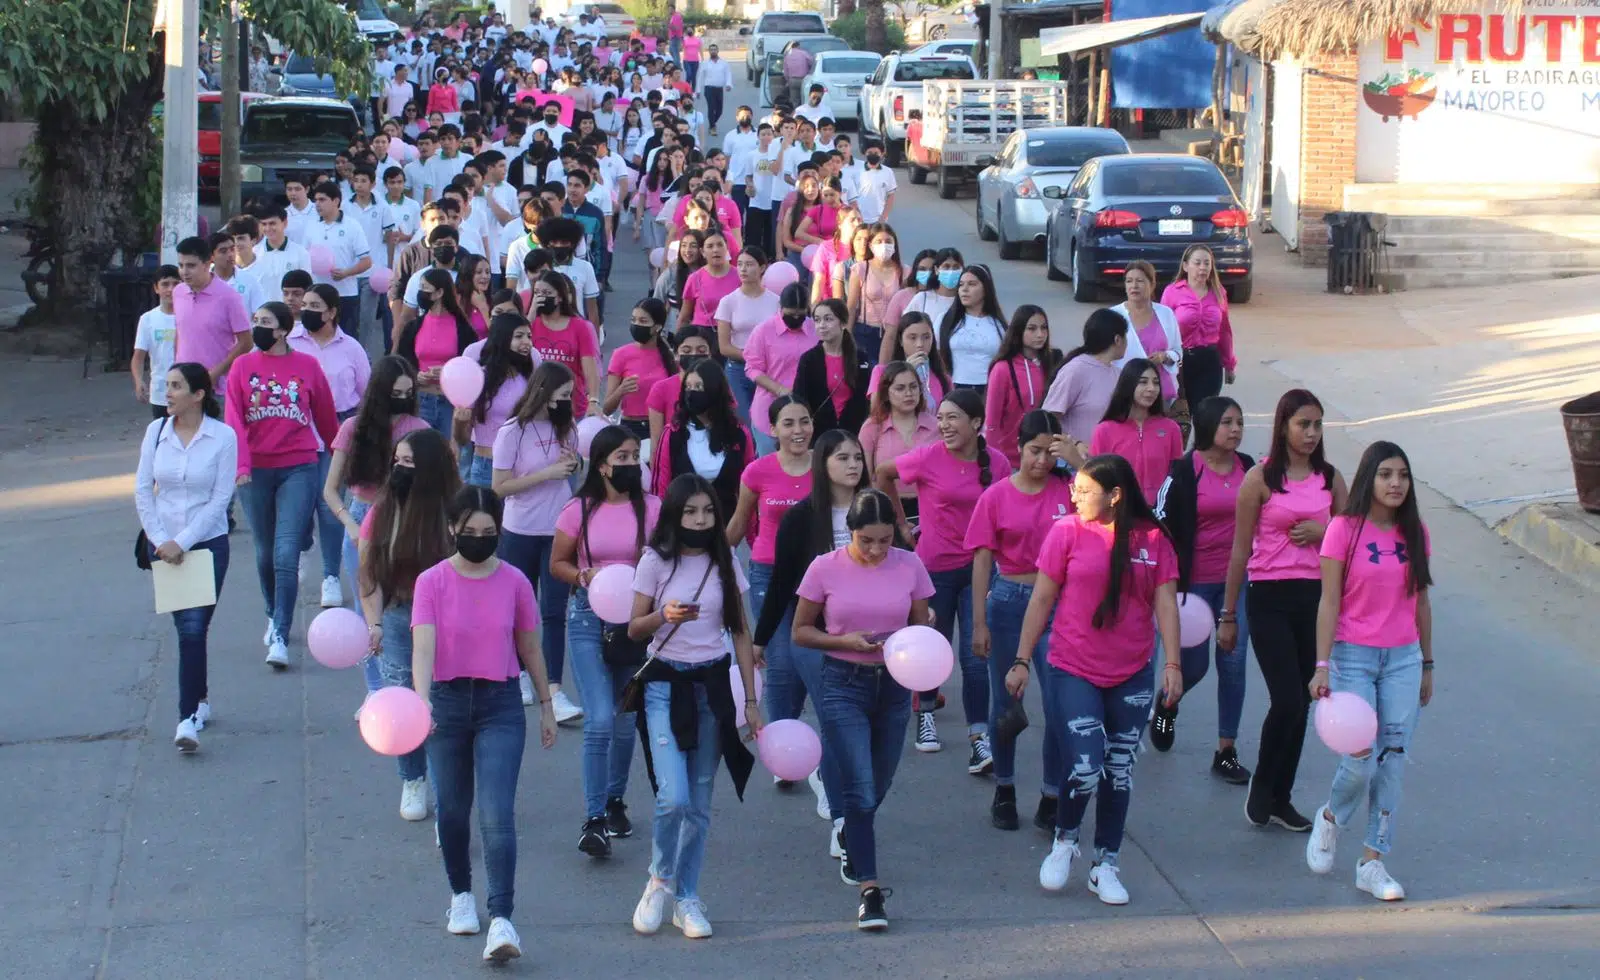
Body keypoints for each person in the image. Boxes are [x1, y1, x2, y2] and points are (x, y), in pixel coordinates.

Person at [1007, 454, 1182, 905]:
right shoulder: (1066, 531)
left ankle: (1106, 864)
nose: (1074, 497)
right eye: (1075, 489)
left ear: (1115, 495)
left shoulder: (1154, 540)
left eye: (1084, 491)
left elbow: (1165, 604)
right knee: (1085, 767)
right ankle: (1066, 839)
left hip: (1132, 671)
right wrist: (1023, 659)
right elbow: (1043, 597)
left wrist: (1172, 665)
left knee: (1119, 770)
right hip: (1072, 666)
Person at [411, 486, 559, 963]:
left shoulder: (515, 581)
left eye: (489, 532)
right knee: (452, 812)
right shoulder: (431, 582)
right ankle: (461, 895)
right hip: (446, 704)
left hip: (500, 703)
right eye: (469, 531)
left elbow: (530, 646)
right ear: (453, 529)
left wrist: (546, 704)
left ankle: (502, 917)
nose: (479, 539)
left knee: (496, 814)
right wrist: (420, 705)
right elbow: (423, 647)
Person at [625, 474, 763, 941]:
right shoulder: (654, 562)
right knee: (674, 796)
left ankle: (687, 896)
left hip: (712, 686)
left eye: (707, 511)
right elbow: (633, 630)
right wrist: (663, 615)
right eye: (690, 512)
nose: (700, 520)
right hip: (665, 685)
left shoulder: (725, 561)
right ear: (674, 514)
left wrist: (750, 700)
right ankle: (660, 879)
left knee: (700, 804)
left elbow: (741, 631)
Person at [792, 488, 934, 930]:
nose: (876, 549)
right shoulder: (824, 568)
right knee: (859, 784)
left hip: (893, 684)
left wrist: (921, 631)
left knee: (880, 778)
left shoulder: (909, 564)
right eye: (866, 540)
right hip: (842, 682)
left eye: (884, 539)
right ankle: (870, 891)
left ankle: (855, 834)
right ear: (849, 532)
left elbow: (921, 624)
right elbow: (801, 632)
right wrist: (843, 642)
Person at [1305, 440, 1433, 902]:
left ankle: (1372, 862)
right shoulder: (1343, 529)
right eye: (1386, 474)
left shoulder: (1414, 531)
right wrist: (1322, 666)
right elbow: (1329, 600)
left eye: (1403, 474)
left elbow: (1421, 601)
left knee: (1392, 761)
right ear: (1369, 479)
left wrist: (1428, 663)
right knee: (1359, 760)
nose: (1396, 483)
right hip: (1352, 655)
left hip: (1402, 658)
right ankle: (1332, 817)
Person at [1219, 389, 1348, 832]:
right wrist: (1228, 613)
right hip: (1269, 596)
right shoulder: (1259, 479)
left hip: (1315, 600)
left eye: (1317, 425)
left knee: (1304, 702)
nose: (1311, 434)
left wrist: (1325, 529)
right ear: (1283, 427)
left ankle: (1281, 797)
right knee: (1288, 698)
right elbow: (1238, 552)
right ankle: (1263, 786)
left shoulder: (1330, 479)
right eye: (1302, 425)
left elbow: (1354, 538)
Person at [874, 388, 1010, 760]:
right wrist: (901, 525)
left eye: (953, 418)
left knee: (974, 654)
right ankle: (927, 714)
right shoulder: (928, 457)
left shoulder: (997, 463)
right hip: (934, 570)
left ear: (976, 423)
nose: (944, 425)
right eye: (941, 418)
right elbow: (883, 475)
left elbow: (1007, 508)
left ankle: (979, 738)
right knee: (932, 648)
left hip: (981, 570)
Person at [551, 426, 662, 858]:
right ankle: (593, 819)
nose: (631, 463)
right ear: (601, 464)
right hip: (587, 619)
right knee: (599, 717)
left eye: (636, 455)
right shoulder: (578, 509)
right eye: (622, 456)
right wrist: (584, 576)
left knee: (623, 718)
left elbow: (666, 561)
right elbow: (557, 562)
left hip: (636, 623)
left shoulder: (652, 509)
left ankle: (615, 802)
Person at [963, 410, 1075, 830]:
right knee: (1007, 701)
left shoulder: (1070, 488)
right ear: (1018, 448)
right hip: (1009, 600)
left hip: (1059, 605)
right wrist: (979, 623)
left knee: (1058, 704)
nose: (1042, 461)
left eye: (1050, 452)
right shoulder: (996, 496)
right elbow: (981, 560)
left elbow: (1112, 492)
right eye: (1034, 451)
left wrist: (1077, 460)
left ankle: (1050, 794)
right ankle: (1005, 788)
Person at [226, 302, 340, 668]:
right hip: (255, 471)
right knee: (264, 552)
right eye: (255, 321)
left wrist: (343, 461)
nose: (257, 327)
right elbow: (234, 420)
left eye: (265, 322)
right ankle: (272, 610)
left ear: (282, 330)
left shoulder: (307, 367)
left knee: (286, 551)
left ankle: (280, 631)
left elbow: (326, 418)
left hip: (299, 467)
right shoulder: (242, 367)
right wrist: (241, 464)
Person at [1150, 396, 1255, 783]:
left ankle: (1226, 750)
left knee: (1233, 663)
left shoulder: (1249, 468)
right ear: (1209, 425)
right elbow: (1159, 522)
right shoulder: (1183, 471)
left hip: (1237, 585)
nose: (1236, 429)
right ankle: (1167, 703)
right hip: (1192, 586)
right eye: (1228, 422)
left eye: (1240, 422)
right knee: (1194, 666)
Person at [359, 427, 461, 820]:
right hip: (401, 616)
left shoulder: (455, 509)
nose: (399, 469)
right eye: (396, 461)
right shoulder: (384, 511)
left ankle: (448, 795)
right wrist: (375, 625)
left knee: (444, 704)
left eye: (409, 462)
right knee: (406, 701)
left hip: (450, 618)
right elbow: (369, 574)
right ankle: (412, 779)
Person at [134, 363, 237, 752]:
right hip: (163, 545)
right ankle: (196, 705)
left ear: (198, 395)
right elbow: (144, 489)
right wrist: (162, 540)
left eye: (176, 386)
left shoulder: (222, 437)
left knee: (195, 627)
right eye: (166, 385)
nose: (168, 393)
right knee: (189, 630)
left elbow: (220, 498)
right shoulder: (156, 432)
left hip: (207, 543)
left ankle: (186, 718)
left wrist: (186, 541)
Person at [324, 356, 429, 701]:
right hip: (362, 513)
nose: (401, 400)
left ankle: (408, 677)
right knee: (366, 604)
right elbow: (330, 488)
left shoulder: (419, 429)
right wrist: (351, 524)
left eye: (407, 393)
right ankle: (374, 689)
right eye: (395, 393)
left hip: (406, 518)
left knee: (404, 601)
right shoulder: (354, 428)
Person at [491, 362, 584, 722]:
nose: (566, 402)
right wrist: (547, 473)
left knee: (554, 611)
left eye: (569, 396)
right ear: (543, 393)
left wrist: (571, 468)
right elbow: (499, 487)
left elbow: (569, 475)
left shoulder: (568, 429)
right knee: (517, 607)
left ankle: (555, 690)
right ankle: (519, 673)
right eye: (561, 396)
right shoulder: (512, 432)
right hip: (520, 530)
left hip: (558, 529)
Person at [290, 282, 372, 610]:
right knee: (298, 501)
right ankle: (301, 546)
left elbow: (366, 393)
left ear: (332, 312)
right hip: (296, 430)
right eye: (304, 303)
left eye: (314, 306)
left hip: (337, 430)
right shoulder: (292, 342)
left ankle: (330, 576)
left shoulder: (351, 348)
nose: (306, 310)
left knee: (329, 503)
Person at [650, 359, 754, 516]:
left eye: (698, 387)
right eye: (688, 387)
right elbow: (660, 487)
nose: (691, 393)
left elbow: (749, 485)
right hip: (681, 525)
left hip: (727, 526)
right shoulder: (673, 433)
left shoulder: (739, 434)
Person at [1042, 309, 1134, 465]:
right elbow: (1048, 418)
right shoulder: (1075, 370)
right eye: (1126, 336)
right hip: (1073, 464)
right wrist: (1075, 444)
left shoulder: (1118, 374)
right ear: (1118, 339)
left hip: (1106, 463)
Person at [1090, 358, 1184, 504]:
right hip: (1119, 513)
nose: (1151, 388)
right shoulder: (1104, 430)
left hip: (1160, 515)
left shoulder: (1170, 429)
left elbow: (1177, 477)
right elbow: (1096, 478)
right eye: (1143, 382)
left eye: (1156, 382)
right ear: (1128, 385)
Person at [397, 267, 479, 436]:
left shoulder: (463, 329)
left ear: (439, 292)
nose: (421, 293)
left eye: (425, 288)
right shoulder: (414, 327)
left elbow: (472, 365)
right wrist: (416, 375)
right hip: (421, 399)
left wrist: (449, 371)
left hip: (450, 402)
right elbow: (402, 361)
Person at [858, 360, 939, 529]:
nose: (908, 393)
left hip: (930, 507)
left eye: (913, 387)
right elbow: (864, 478)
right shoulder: (872, 427)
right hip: (885, 507)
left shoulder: (936, 426)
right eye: (900, 388)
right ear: (886, 393)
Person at [984, 305, 1061, 471]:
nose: (1040, 334)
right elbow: (992, 420)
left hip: (1044, 458)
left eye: (1043, 328)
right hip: (1009, 460)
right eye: (1032, 329)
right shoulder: (1002, 368)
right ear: (1019, 331)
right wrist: (994, 460)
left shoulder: (1052, 364)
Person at [463, 313, 537, 486]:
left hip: (523, 467)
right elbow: (462, 438)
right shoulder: (479, 378)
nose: (527, 342)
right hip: (486, 466)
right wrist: (460, 422)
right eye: (519, 336)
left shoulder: (531, 376)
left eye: (529, 336)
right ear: (502, 339)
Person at [741, 281, 813, 457]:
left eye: (800, 315)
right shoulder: (763, 331)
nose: (796, 319)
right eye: (790, 314)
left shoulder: (814, 328)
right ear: (780, 307)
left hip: (806, 407)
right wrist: (780, 390)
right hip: (769, 408)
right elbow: (752, 369)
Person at [1161, 245, 1236, 406]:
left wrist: (1229, 363)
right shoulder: (1172, 292)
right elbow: (1162, 329)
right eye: (1197, 263)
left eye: (1207, 263)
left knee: (1205, 414)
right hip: (1180, 362)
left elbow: (1224, 331)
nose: (1202, 267)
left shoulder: (1218, 292)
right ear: (1186, 266)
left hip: (1210, 362)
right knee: (1180, 416)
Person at [173, 236, 251, 389]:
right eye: (181, 265)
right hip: (184, 384)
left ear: (207, 263)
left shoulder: (229, 296)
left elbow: (246, 342)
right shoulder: (178, 292)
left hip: (218, 386)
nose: (184, 272)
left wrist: (216, 373)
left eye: (191, 266)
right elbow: (180, 332)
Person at [713, 246, 778, 424]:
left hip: (769, 370)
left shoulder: (776, 301)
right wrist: (752, 357)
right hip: (738, 369)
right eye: (740, 264)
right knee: (743, 421)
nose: (743, 269)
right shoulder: (728, 302)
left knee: (766, 421)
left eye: (749, 264)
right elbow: (724, 347)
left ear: (762, 268)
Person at [527, 270, 604, 418]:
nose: (541, 297)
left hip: (572, 405)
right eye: (537, 292)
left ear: (560, 297)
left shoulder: (579, 327)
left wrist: (593, 400)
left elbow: (590, 367)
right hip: (537, 406)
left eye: (546, 292)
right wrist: (530, 315)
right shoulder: (530, 325)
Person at [792, 298, 870, 436]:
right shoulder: (809, 359)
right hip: (819, 435)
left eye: (828, 319)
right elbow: (799, 398)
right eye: (817, 320)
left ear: (843, 323)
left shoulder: (860, 358)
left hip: (854, 433)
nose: (821, 325)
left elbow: (865, 400)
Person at [1113, 260, 1182, 410]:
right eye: (1129, 281)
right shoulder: (1113, 315)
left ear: (1152, 284)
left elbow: (1178, 351)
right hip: (1125, 393)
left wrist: (1165, 356)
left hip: (1161, 393)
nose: (1134, 286)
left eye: (1140, 281)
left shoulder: (1166, 313)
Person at [606, 299, 677, 443]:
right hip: (631, 427)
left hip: (662, 426)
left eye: (643, 321)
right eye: (633, 320)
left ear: (657, 327)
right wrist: (621, 390)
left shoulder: (670, 357)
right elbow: (607, 409)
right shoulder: (621, 354)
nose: (637, 325)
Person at [938, 265, 1006, 398]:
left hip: (990, 390)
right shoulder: (946, 320)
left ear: (986, 289)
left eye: (972, 284)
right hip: (955, 390)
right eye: (961, 284)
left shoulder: (999, 325)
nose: (965, 289)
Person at [843, 222, 903, 369]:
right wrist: (847, 337)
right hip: (865, 332)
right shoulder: (860, 269)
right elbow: (851, 307)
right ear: (871, 245)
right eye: (879, 241)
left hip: (894, 334)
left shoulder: (903, 272)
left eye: (888, 241)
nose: (884, 245)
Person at [647, 326, 716, 452]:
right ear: (676, 355)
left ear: (710, 354)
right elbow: (657, 444)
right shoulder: (661, 389)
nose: (694, 355)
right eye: (687, 350)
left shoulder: (719, 385)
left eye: (701, 351)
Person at [868, 311, 949, 409]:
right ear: (901, 340)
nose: (920, 344)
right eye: (912, 338)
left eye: (926, 337)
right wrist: (904, 370)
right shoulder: (881, 372)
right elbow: (876, 410)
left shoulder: (943, 379)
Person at [131, 265, 181, 419]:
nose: (170, 289)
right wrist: (139, 382)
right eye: (165, 284)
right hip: (161, 392)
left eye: (175, 284)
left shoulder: (191, 315)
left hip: (187, 390)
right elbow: (138, 356)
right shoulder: (148, 319)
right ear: (156, 288)